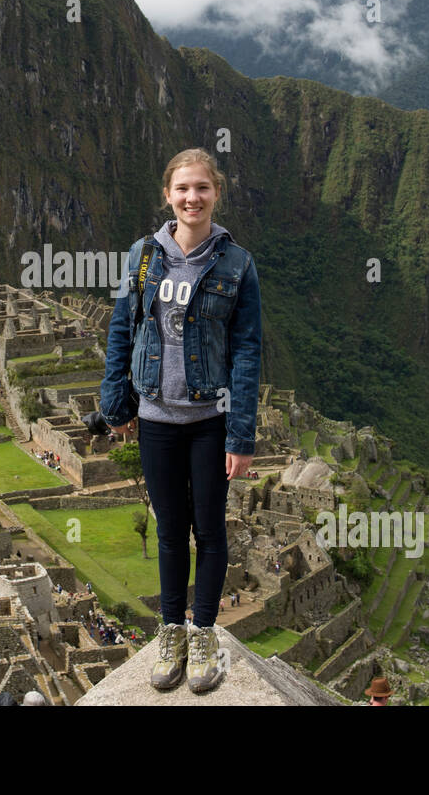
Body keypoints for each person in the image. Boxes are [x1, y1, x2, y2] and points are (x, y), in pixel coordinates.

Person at [98, 147, 261, 695]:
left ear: (217, 193)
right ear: (168, 195)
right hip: (156, 418)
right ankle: (171, 631)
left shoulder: (237, 265)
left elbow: (246, 350)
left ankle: (204, 632)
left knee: (209, 531)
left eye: (203, 188)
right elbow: (122, 329)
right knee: (170, 531)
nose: (193, 198)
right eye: (183, 189)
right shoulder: (143, 257)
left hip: (210, 420)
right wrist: (115, 405)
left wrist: (241, 433)